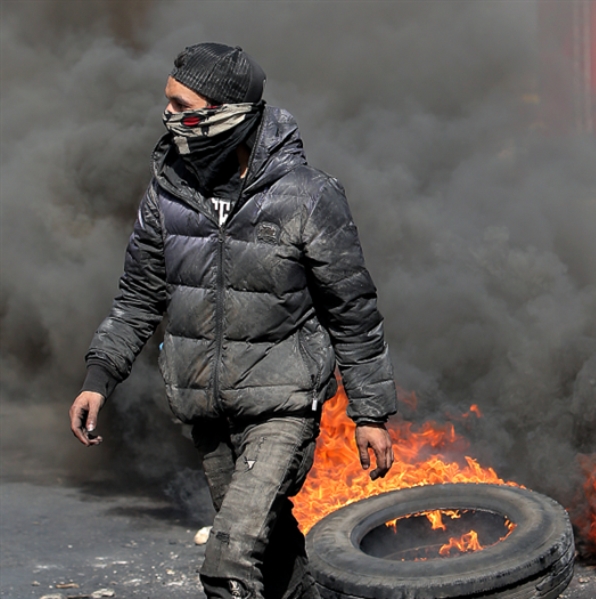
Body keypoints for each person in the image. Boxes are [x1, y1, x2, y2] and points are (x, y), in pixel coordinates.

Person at [68, 42, 397, 599]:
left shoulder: (307, 197)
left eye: (182, 107)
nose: (168, 118)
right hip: (206, 409)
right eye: (166, 104)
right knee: (272, 551)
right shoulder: (167, 194)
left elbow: (353, 312)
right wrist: (99, 378)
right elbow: (138, 297)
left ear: (227, 116)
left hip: (282, 407)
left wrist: (371, 414)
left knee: (230, 557)